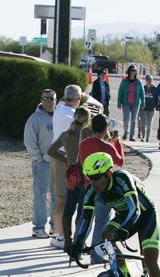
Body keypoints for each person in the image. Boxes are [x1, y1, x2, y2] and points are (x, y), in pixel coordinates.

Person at [77, 114, 125, 265]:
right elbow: (120, 161)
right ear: (106, 129)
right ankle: (96, 255)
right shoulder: (107, 147)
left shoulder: (84, 143)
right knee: (101, 221)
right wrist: (117, 143)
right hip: (103, 187)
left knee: (86, 220)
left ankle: (76, 250)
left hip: (88, 185)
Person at [48, 106, 91, 251]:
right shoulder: (88, 134)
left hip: (72, 174)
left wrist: (65, 159)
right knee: (82, 210)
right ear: (87, 119)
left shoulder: (66, 134)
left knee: (68, 209)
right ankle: (80, 240)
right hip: (85, 174)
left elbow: (51, 151)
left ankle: (67, 241)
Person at [49, 84, 83, 248]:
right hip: (64, 159)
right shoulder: (71, 116)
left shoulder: (60, 108)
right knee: (63, 199)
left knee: (58, 198)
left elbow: (65, 99)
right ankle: (61, 236)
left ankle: (56, 234)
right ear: (77, 99)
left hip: (56, 158)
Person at [23, 89, 56, 239]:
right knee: (40, 196)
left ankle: (56, 226)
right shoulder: (35, 119)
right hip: (42, 163)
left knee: (57, 196)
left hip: (58, 163)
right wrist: (39, 158)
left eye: (51, 99)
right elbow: (29, 140)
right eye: (45, 98)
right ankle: (38, 227)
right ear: (41, 100)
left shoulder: (59, 117)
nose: (48, 101)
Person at [117, 65, 145, 141]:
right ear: (129, 72)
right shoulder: (124, 81)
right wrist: (119, 102)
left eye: (135, 71)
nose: (133, 72)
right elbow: (120, 92)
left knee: (133, 120)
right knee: (126, 119)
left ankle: (131, 136)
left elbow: (142, 93)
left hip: (135, 103)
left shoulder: (138, 82)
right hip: (126, 103)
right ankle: (126, 131)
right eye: (132, 71)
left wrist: (143, 103)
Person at [141, 74, 159, 142]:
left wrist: (156, 105)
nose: (149, 81)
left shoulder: (155, 89)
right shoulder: (143, 88)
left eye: (150, 80)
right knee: (144, 123)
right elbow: (141, 97)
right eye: (148, 80)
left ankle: (147, 138)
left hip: (151, 109)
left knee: (149, 124)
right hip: (144, 108)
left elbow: (157, 98)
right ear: (146, 80)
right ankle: (143, 136)